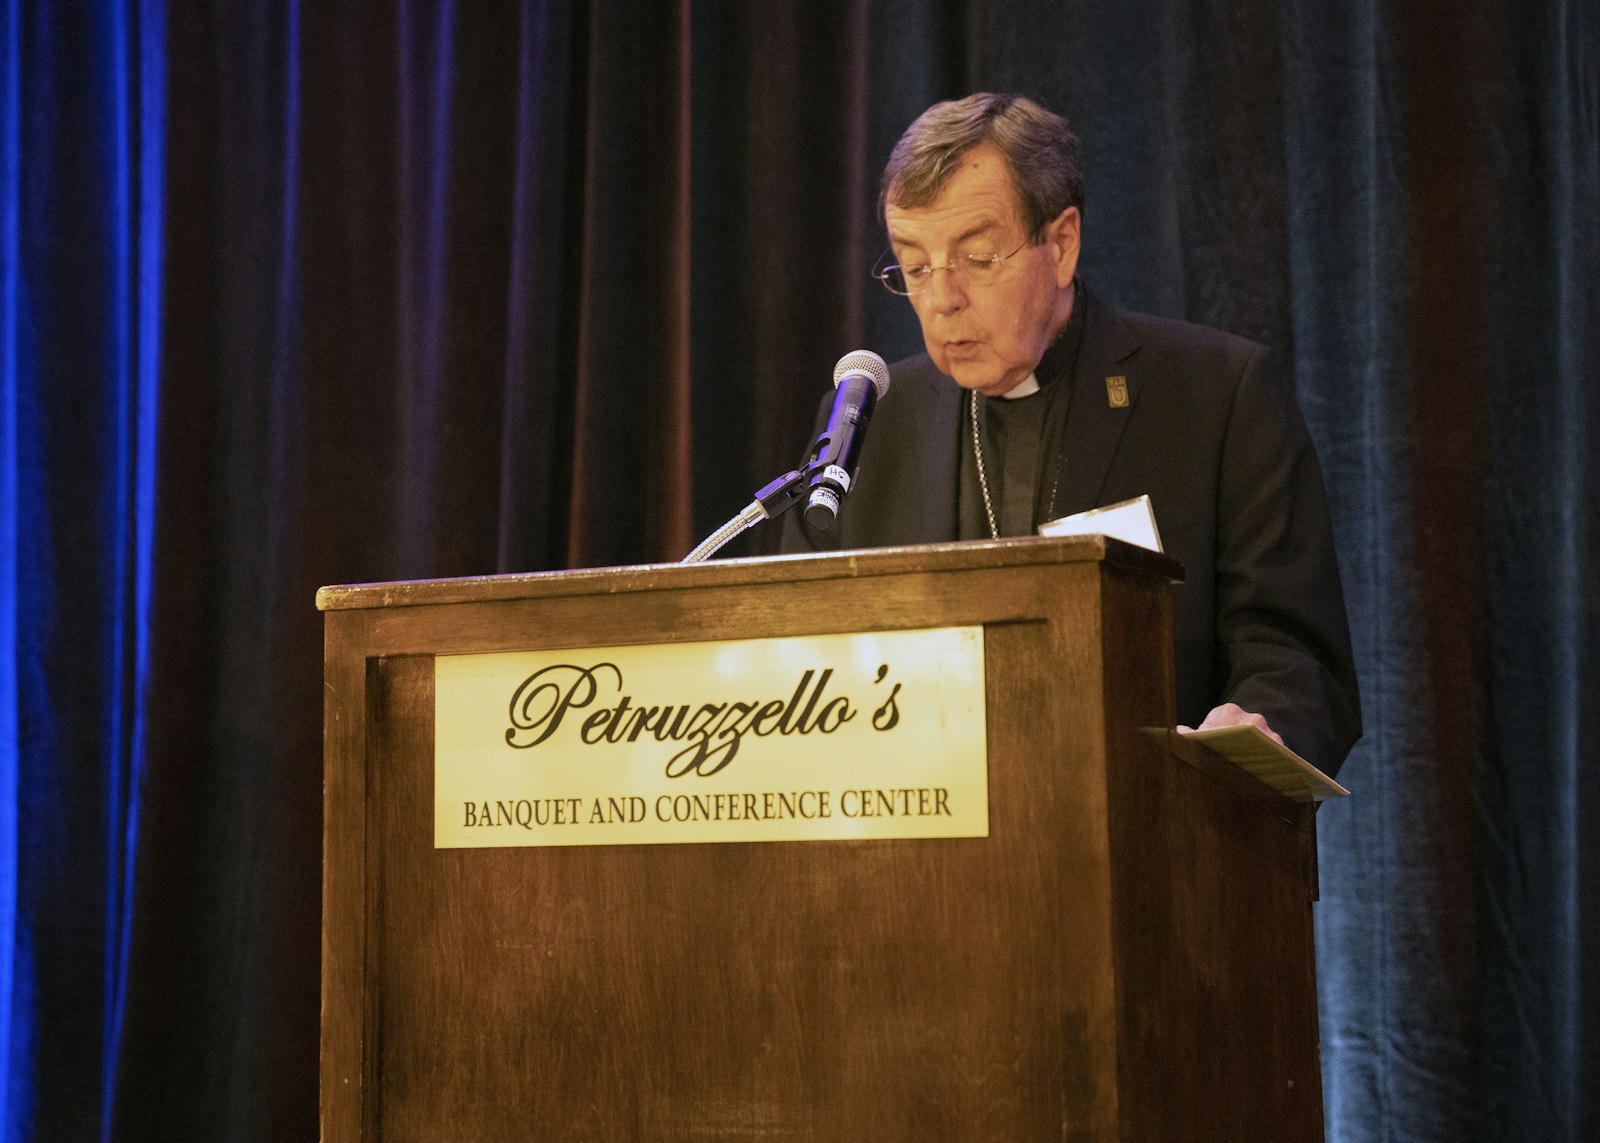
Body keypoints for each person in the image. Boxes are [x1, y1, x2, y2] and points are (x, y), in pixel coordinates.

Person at [780, 92, 1361, 777]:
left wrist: (1252, 727)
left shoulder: (1216, 396)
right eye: (914, 266)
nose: (941, 299)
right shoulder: (867, 423)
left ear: (1060, 244)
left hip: (1161, 841)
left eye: (977, 256)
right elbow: (796, 660)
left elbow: (1297, 659)